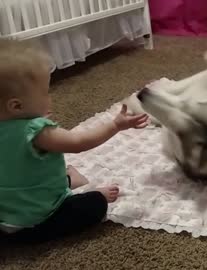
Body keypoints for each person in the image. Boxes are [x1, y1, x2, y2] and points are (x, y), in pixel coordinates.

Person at [0, 39, 148, 243]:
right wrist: (115, 125)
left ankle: (70, 180)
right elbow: (79, 142)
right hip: (38, 218)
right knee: (94, 204)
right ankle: (81, 189)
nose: (49, 98)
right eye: (45, 93)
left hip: (6, 214)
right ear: (16, 106)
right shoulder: (35, 131)